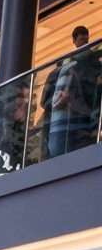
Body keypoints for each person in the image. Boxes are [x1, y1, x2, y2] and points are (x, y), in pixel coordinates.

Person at [42, 24, 102, 157]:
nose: (83, 46)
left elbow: (45, 102)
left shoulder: (62, 68)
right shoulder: (64, 67)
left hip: (77, 127)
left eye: (85, 41)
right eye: (82, 41)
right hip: (75, 128)